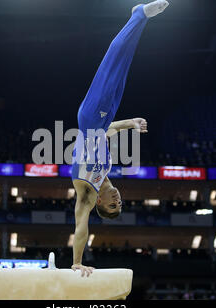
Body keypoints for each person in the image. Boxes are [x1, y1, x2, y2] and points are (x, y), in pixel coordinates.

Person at [70, 0, 170, 277]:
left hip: (89, 119)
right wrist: (131, 123)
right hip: (102, 122)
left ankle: (139, 14)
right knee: (124, 64)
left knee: (112, 60)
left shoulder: (87, 194)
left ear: (100, 203)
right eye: (121, 203)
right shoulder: (106, 175)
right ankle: (140, 19)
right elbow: (105, 134)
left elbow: (81, 228)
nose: (118, 198)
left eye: (114, 204)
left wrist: (77, 262)